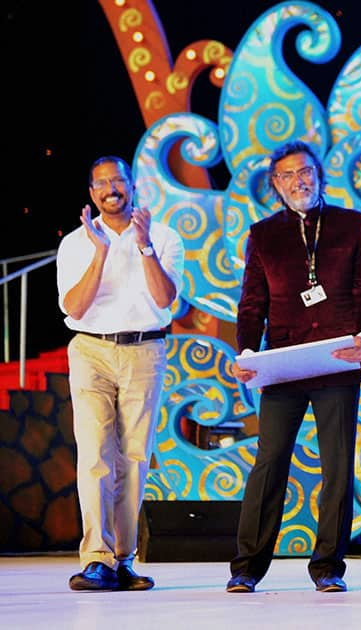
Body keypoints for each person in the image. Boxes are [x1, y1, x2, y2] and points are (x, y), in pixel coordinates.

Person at [226, 140, 361, 594]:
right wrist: (247, 354)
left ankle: (328, 567)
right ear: (275, 185)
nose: (300, 180)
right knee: (269, 462)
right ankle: (247, 567)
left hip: (336, 361)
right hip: (283, 365)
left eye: (306, 171)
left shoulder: (352, 225)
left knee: (337, 465)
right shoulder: (263, 234)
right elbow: (252, 303)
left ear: (319, 174)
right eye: (289, 175)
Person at [57, 156, 184, 591]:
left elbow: (165, 299)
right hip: (90, 349)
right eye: (102, 183)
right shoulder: (76, 242)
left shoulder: (164, 235)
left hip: (145, 349)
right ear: (92, 193)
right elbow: (74, 307)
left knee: (133, 458)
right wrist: (101, 253)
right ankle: (97, 558)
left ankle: (124, 559)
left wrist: (144, 245)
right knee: (94, 455)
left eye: (118, 180)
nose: (111, 188)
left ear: (132, 185)